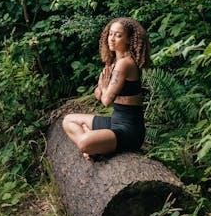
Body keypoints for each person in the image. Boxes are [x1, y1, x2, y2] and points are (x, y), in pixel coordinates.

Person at [62, 17, 151, 159]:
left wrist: (103, 88)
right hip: (114, 122)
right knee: (68, 120)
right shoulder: (115, 62)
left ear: (129, 40)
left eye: (118, 35)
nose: (112, 39)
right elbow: (98, 94)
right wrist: (102, 89)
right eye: (110, 34)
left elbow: (106, 101)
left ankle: (91, 144)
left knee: (84, 143)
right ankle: (94, 143)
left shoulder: (125, 64)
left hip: (129, 131)